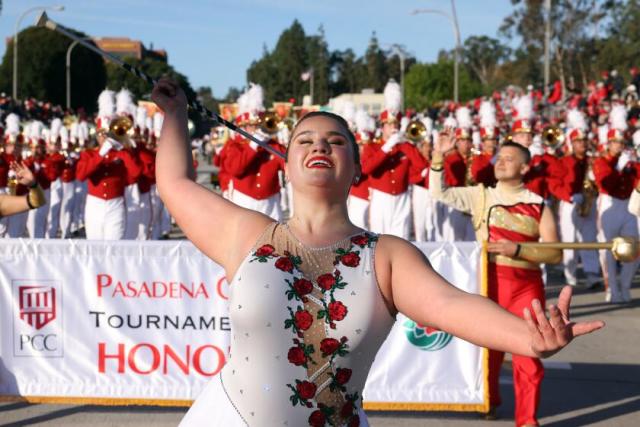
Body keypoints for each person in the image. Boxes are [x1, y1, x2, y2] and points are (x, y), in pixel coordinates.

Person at [152, 78, 603, 427]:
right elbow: (175, 184)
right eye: (305, 140)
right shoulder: (244, 233)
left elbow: (453, 304)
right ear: (286, 166)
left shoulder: (385, 256)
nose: (319, 146)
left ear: (357, 165)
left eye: (335, 140)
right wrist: (174, 114)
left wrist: (529, 339)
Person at [430, 135, 564, 427]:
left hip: (525, 285)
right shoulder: (481, 195)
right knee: (487, 348)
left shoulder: (538, 204)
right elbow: (440, 193)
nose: (500, 162)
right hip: (487, 281)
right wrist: (438, 158)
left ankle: (527, 420)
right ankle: (489, 401)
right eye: (498, 157)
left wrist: (518, 250)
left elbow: (554, 253)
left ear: (525, 168)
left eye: (508, 158)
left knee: (529, 352)